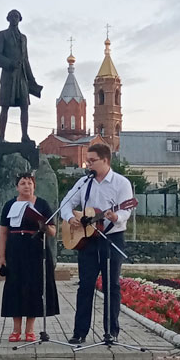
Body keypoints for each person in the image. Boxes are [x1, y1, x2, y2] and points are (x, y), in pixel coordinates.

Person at [59, 143, 133, 344]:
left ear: (105, 160)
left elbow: (127, 210)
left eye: (92, 161)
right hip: (87, 240)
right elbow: (66, 203)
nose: (88, 164)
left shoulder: (121, 183)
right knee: (85, 285)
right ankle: (79, 332)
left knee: (112, 286)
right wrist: (70, 217)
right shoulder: (85, 182)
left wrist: (116, 216)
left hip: (111, 238)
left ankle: (111, 332)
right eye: (87, 161)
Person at [0, 172, 59, 342]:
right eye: (23, 183)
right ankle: (16, 329)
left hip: (36, 250)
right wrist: (1, 256)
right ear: (17, 187)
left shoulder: (42, 204)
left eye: (29, 183)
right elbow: (3, 232)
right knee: (15, 286)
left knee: (34, 288)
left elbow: (53, 231)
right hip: (15, 249)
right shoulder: (9, 205)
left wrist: (44, 226)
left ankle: (30, 330)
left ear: (34, 186)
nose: (26, 186)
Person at [0, 9, 42, 143]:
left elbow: (26, 59)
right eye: (12, 16)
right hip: (8, 75)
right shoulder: (2, 35)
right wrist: (10, 63)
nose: (14, 18)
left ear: (20, 19)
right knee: (5, 106)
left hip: (22, 76)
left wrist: (32, 80)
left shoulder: (23, 38)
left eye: (17, 16)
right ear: (8, 19)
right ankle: (2, 137)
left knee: (24, 106)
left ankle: (24, 135)